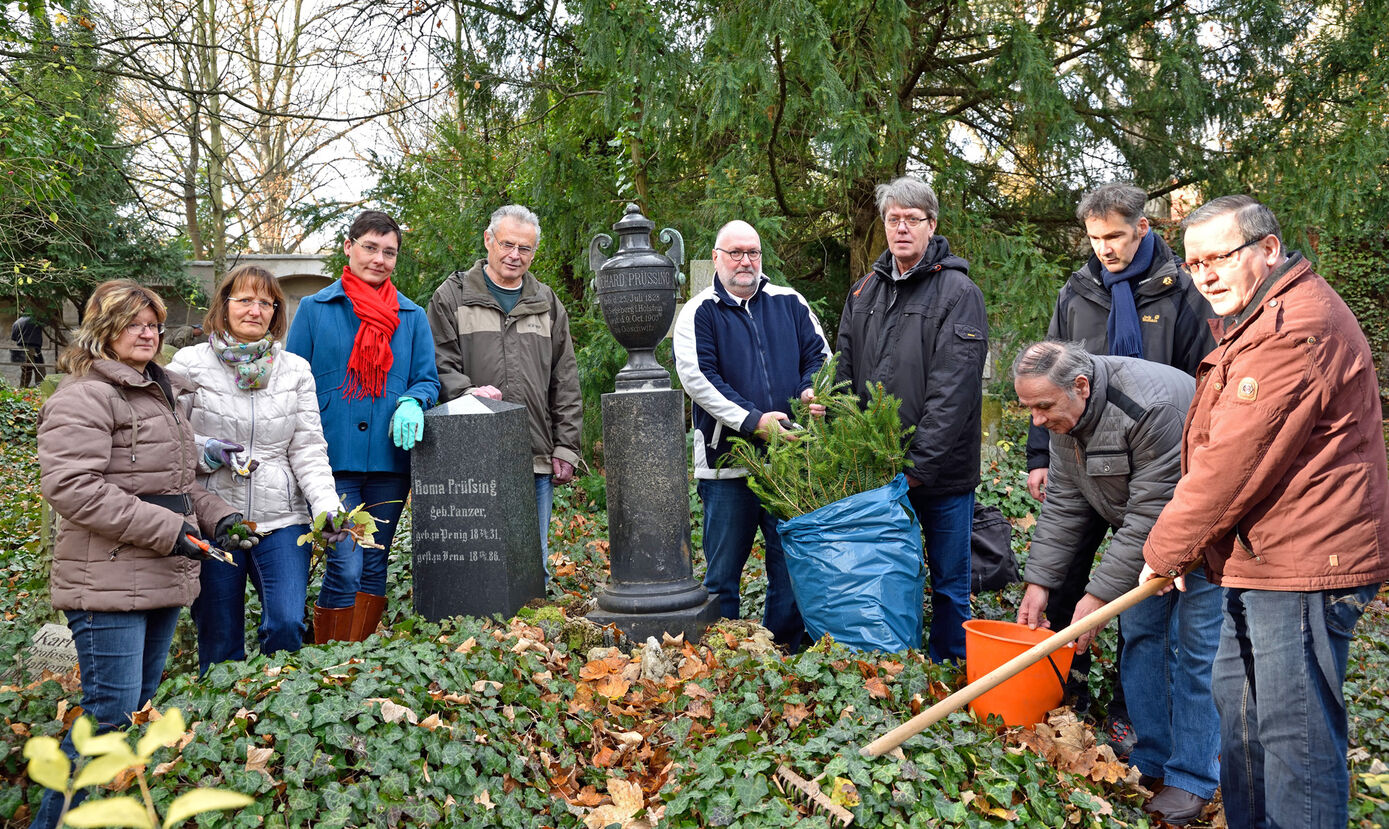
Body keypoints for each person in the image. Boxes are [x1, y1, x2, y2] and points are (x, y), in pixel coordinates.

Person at [1140, 195, 1389, 829]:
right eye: (1194, 265)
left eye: (1219, 258)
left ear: (1269, 249)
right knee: (1242, 724)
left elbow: (1231, 462)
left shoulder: (1293, 329)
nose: (1206, 277)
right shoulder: (1256, 321)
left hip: (1305, 562)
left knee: (1293, 744)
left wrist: (1164, 552)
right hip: (1259, 559)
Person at [32, 280, 241, 829]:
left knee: (128, 717)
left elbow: (175, 483)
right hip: (106, 580)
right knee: (107, 725)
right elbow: (73, 486)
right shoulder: (84, 395)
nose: (147, 332)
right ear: (104, 330)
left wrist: (221, 518)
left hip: (160, 573)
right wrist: (169, 529)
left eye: (153, 323)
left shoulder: (161, 393)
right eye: (133, 323)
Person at [1024, 182, 1217, 751]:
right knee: (1067, 586)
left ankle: (1144, 719)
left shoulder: (1183, 292)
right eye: (1095, 238)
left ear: (1143, 230)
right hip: (1087, 447)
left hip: (1163, 451)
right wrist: (1045, 454)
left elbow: (1203, 378)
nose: (1105, 248)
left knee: (1148, 605)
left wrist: (1100, 598)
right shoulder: (1079, 292)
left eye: (1115, 236)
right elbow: (1049, 385)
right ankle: (1065, 689)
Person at [1012, 341, 1220, 825]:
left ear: (1080, 387)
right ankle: (1151, 760)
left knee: (1195, 650)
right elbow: (1065, 502)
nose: (1037, 421)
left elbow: (1154, 510)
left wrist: (1098, 595)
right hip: (1149, 538)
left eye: (1043, 407)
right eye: (1029, 409)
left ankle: (1192, 779)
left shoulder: (1151, 407)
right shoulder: (1067, 419)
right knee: (1142, 637)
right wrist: (1040, 582)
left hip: (1207, 532)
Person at [835, 176, 988, 662]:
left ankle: (950, 668)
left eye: (912, 220)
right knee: (882, 571)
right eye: (893, 219)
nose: (902, 229)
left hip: (938, 475)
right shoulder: (864, 292)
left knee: (948, 580)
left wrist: (919, 466)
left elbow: (954, 391)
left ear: (931, 225)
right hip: (876, 471)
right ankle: (889, 664)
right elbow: (844, 371)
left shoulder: (958, 292)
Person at [169, 266, 340, 673]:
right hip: (214, 516)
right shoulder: (188, 364)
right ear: (224, 305)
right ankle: (224, 721)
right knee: (219, 633)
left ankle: (274, 703)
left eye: (266, 302)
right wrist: (207, 451)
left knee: (286, 623)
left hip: (280, 517)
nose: (255, 310)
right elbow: (168, 441)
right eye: (245, 300)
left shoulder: (295, 368)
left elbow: (308, 448)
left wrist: (326, 506)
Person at [672, 220, 830, 647]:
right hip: (727, 467)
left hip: (789, 463)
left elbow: (818, 356)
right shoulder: (698, 311)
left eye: (753, 253)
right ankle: (724, 659)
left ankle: (780, 651)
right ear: (717, 258)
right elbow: (700, 379)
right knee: (723, 575)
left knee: (790, 569)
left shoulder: (790, 303)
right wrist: (754, 422)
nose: (746, 261)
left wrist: (811, 389)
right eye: (736, 252)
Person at [286, 211, 439, 643]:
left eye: (389, 252)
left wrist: (414, 400)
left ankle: (359, 654)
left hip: (390, 461)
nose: (379, 259)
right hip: (331, 460)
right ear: (349, 247)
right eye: (370, 247)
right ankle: (330, 654)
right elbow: (291, 380)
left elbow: (427, 378)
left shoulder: (411, 316)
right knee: (346, 558)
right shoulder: (316, 309)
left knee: (375, 560)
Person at [426, 204, 582, 573]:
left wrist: (566, 447)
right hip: (471, 454)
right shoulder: (453, 297)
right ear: (488, 240)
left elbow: (566, 380)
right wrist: (467, 392)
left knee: (532, 564)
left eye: (525, 248)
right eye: (507, 244)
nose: (515, 255)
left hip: (535, 451)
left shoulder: (546, 302)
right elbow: (437, 363)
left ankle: (531, 630)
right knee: (478, 568)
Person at [11, 313, 45, 387]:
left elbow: (14, 338)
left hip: (20, 349)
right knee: (40, 370)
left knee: (25, 370)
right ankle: (41, 389)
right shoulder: (35, 321)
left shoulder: (16, 322)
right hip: (33, 348)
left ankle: (22, 388)